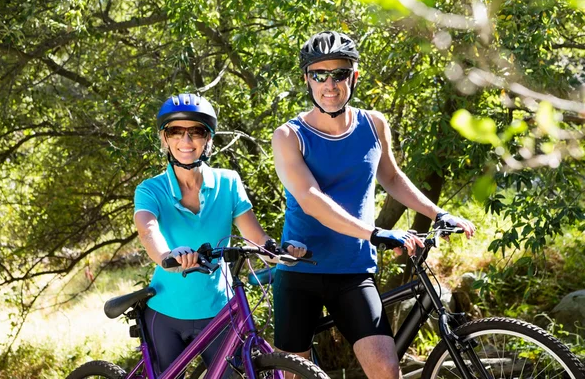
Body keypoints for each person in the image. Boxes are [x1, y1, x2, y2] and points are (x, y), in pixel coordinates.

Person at [271, 31, 476, 378]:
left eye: (339, 74)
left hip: (353, 270)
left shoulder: (374, 124)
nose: (330, 85)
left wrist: (438, 213)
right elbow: (310, 200)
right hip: (299, 271)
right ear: (307, 79)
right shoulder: (289, 136)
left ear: (354, 76)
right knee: (293, 374)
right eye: (319, 75)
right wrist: (376, 232)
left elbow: (392, 178)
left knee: (385, 368)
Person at [134, 93, 302, 376]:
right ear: (164, 139)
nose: (186, 141)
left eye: (197, 131)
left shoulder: (228, 182)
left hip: (220, 311)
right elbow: (147, 230)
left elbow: (255, 237)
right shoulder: (150, 190)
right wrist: (167, 256)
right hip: (165, 311)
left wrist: (280, 252)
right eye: (176, 131)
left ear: (209, 140)